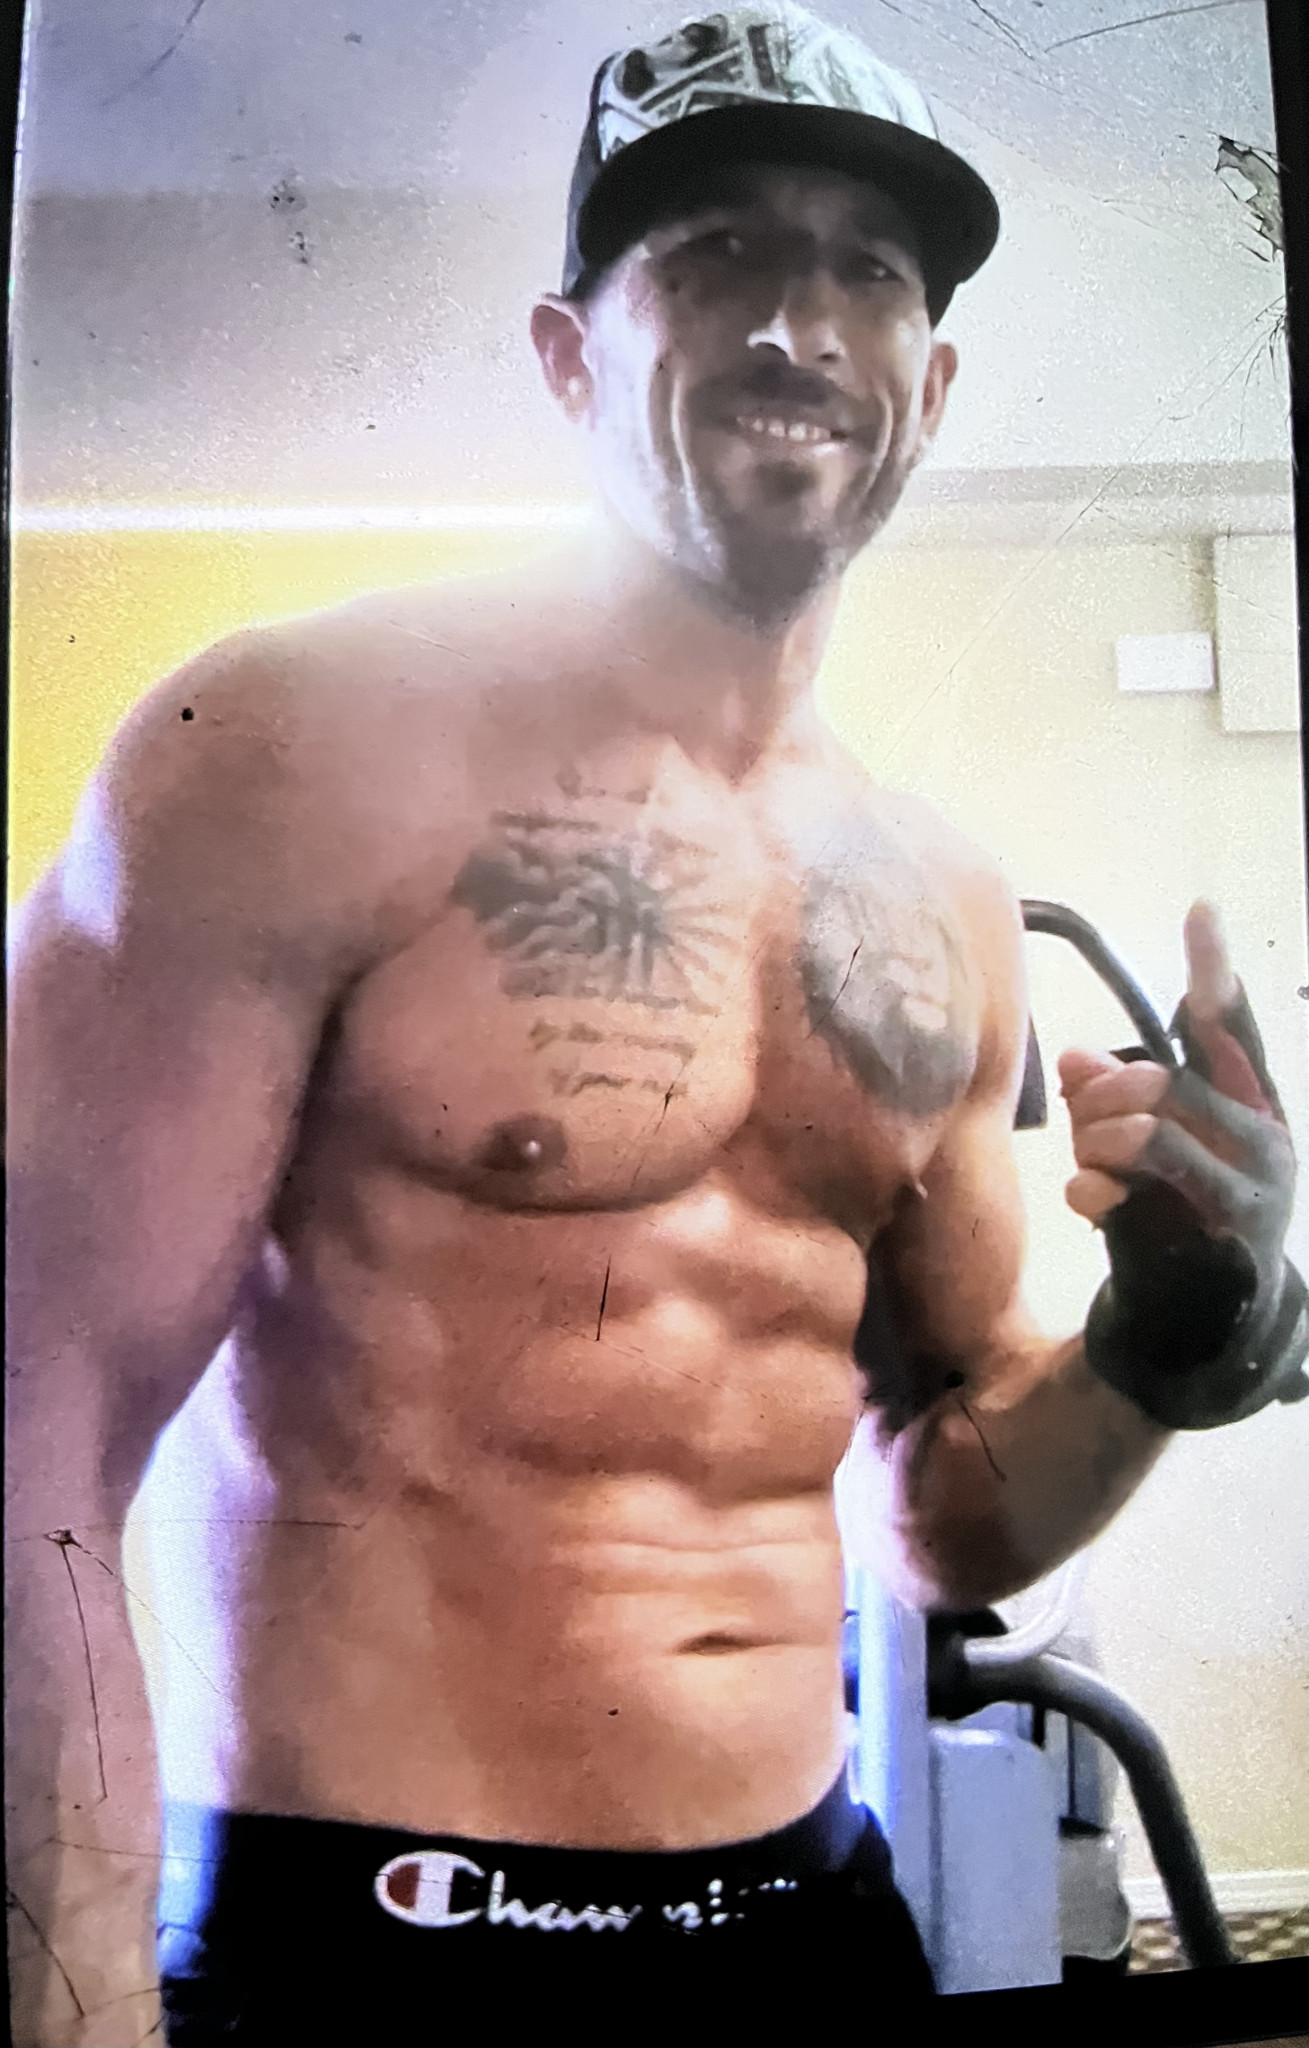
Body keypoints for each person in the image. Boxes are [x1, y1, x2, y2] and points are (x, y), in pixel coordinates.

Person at [8, 6, 1306, 2039]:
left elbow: (946, 1518)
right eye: (714, 255)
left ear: (931, 386)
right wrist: (70, 2003)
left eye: (864, 269)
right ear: (567, 354)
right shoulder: (276, 753)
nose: (797, 323)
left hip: (810, 1927)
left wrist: (1162, 1339)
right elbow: (39, 1423)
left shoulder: (943, 902)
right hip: (375, 1947)